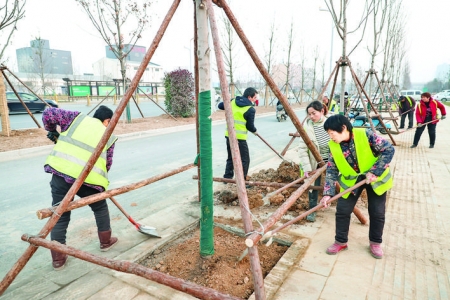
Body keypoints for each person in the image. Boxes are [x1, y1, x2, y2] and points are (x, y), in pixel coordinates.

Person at [42, 105, 119, 270]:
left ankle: (58, 259)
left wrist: (53, 131)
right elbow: (107, 164)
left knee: (59, 213)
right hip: (89, 181)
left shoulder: (75, 118)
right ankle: (105, 242)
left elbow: (48, 113)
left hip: (62, 175)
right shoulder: (109, 135)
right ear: (107, 121)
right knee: (100, 208)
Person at [319, 114, 395, 259]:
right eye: (329, 134)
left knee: (377, 212)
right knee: (342, 210)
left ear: (343, 128)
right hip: (351, 181)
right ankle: (340, 241)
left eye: (332, 133)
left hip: (374, 178)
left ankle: (375, 243)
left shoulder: (365, 135)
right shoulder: (333, 146)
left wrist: (375, 171)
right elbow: (331, 169)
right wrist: (327, 193)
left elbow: (389, 149)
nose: (331, 137)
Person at [298, 101, 329, 222]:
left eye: (313, 113)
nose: (311, 116)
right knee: (313, 186)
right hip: (314, 161)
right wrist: (307, 168)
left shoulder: (330, 123)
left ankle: (342, 207)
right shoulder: (307, 127)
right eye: (309, 114)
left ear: (322, 111)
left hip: (332, 160)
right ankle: (312, 209)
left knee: (338, 184)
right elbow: (302, 149)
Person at [218, 87, 258, 182]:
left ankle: (227, 178)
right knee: (245, 159)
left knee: (231, 157)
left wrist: (229, 101)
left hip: (229, 135)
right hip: (240, 138)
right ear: (249, 97)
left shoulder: (232, 102)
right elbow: (249, 126)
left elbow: (220, 106)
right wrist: (255, 131)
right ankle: (241, 180)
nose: (256, 99)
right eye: (255, 97)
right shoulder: (250, 109)